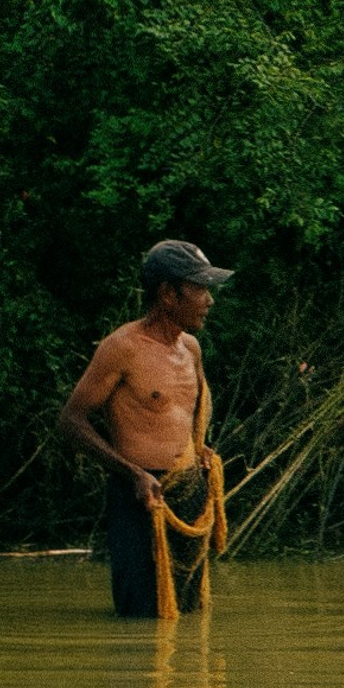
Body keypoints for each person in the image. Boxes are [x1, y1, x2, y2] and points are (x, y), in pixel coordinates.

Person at [58, 239, 233, 617]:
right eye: (200, 289)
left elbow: (194, 408)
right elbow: (71, 420)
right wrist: (132, 473)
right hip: (139, 496)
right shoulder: (122, 348)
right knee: (141, 617)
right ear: (168, 294)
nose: (209, 300)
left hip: (188, 492)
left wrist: (199, 448)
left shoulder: (192, 349)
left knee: (187, 611)